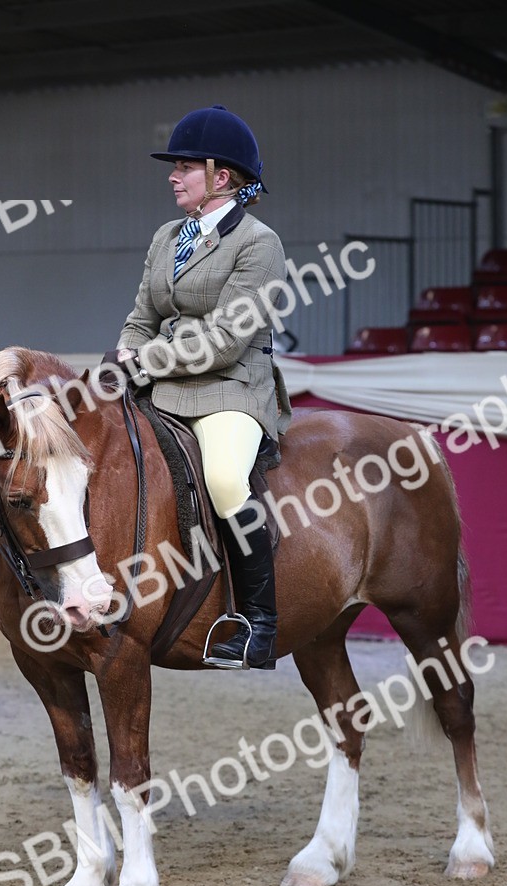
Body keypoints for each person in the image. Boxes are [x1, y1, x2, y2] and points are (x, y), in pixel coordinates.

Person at [114, 104, 291, 670]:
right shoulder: (167, 237)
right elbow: (141, 317)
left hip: (230, 387)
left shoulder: (260, 244)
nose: (173, 176)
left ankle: (258, 623)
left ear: (222, 177)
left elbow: (222, 343)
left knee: (221, 477)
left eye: (185, 167)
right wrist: (124, 351)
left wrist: (143, 362)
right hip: (161, 381)